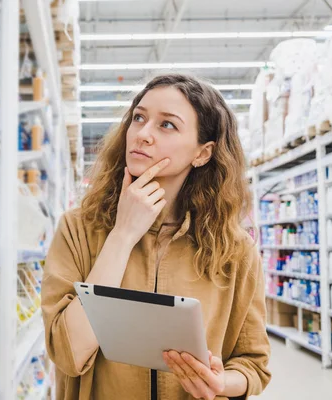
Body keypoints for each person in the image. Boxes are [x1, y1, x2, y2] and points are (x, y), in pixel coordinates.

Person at [41, 73, 271, 400]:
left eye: (167, 125)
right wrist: (122, 235)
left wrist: (220, 382)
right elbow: (68, 352)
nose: (143, 134)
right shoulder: (77, 229)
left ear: (203, 153)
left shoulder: (234, 249)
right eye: (139, 118)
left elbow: (253, 364)